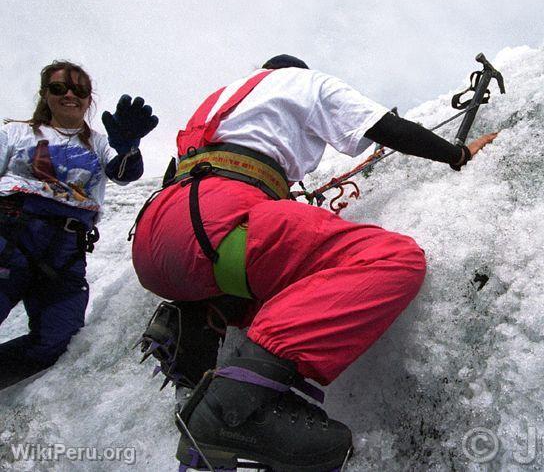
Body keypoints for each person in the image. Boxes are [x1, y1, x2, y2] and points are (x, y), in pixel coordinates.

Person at [131, 54, 496, 471]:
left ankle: (197, 319)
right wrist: (457, 153)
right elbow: (383, 127)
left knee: (280, 279)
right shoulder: (305, 83)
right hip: (220, 226)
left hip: (156, 241)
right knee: (393, 259)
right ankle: (234, 409)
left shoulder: (219, 100)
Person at [0, 60, 158, 390]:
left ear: (89, 98)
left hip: (66, 248)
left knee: (57, 339)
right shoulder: (14, 133)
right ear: (45, 94)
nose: (70, 95)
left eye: (80, 90)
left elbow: (123, 173)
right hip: (11, 234)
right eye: (59, 88)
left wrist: (128, 148)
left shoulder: (99, 143)